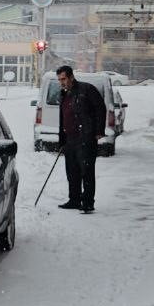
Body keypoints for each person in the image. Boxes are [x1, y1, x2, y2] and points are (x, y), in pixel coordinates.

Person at [56, 65, 107, 213]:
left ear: (71, 77)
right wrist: (62, 140)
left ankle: (88, 202)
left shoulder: (87, 89)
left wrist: (98, 130)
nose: (62, 82)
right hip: (70, 139)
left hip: (86, 137)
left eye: (64, 79)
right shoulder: (63, 94)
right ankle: (74, 200)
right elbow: (63, 119)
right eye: (59, 80)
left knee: (87, 171)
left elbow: (100, 108)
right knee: (72, 172)